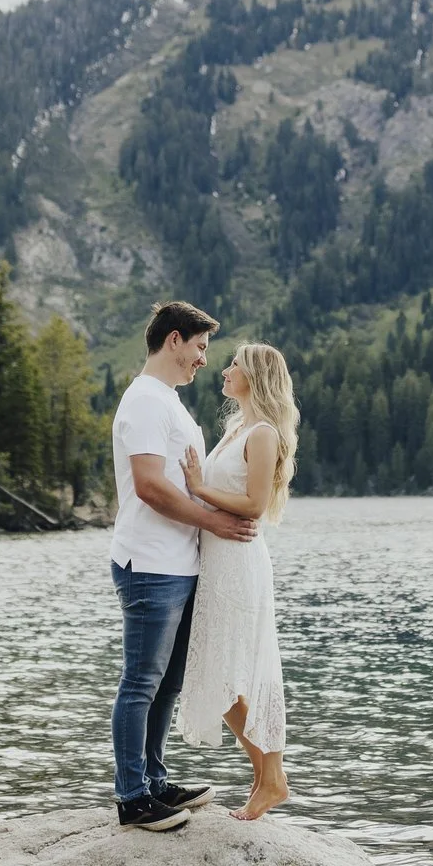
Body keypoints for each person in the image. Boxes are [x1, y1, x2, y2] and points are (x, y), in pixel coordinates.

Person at [107, 300, 257, 832]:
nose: (203, 359)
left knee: (168, 683)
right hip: (150, 563)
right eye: (199, 346)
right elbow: (150, 487)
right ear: (174, 339)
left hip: (179, 562)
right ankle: (132, 798)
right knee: (141, 682)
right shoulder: (146, 401)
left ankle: (153, 780)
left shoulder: (167, 400)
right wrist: (214, 522)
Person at [178, 341, 297, 820]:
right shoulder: (236, 429)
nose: (224, 370)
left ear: (255, 378)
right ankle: (268, 777)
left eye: (234, 365)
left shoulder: (263, 433)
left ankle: (272, 777)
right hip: (216, 561)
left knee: (232, 676)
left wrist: (198, 487)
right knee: (217, 675)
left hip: (239, 563)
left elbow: (254, 505)